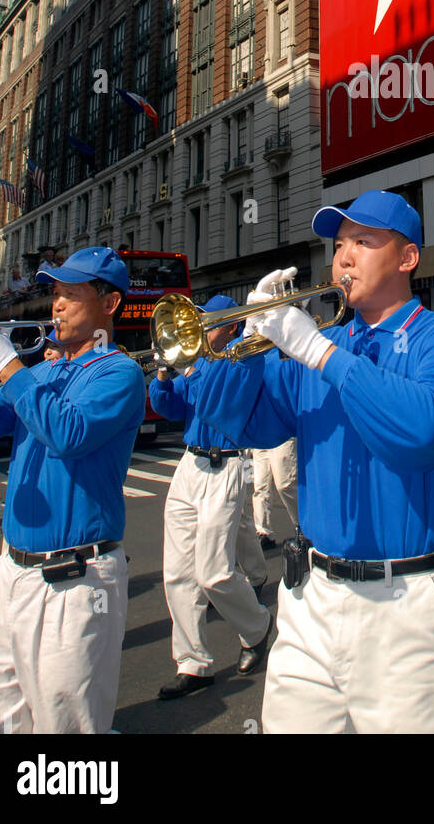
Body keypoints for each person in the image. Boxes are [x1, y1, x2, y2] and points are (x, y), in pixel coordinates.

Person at [189, 189, 434, 734]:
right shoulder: (317, 342)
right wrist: (250, 339)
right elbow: (228, 416)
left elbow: (420, 432)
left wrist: (318, 352)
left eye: (363, 242)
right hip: (310, 600)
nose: (342, 257)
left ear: (407, 258)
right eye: (339, 244)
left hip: (407, 606)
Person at [0, 247, 144, 734]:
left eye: (70, 294)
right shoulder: (42, 372)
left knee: (65, 731)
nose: (57, 305)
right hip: (11, 571)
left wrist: (7, 366)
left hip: (74, 578)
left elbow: (68, 433)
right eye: (56, 294)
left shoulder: (118, 373)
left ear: (109, 305)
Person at [149, 295, 272, 699]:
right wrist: (164, 373)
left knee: (214, 572)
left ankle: (256, 627)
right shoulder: (197, 363)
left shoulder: (244, 358)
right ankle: (192, 662)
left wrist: (248, 330)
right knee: (178, 573)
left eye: (208, 323)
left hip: (226, 466)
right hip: (190, 465)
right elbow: (167, 406)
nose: (199, 329)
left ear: (231, 326)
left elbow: (225, 400)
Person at [247, 438, 298, 549]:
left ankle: (303, 528)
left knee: (285, 485)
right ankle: (264, 532)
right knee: (260, 486)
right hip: (260, 436)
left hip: (282, 434)